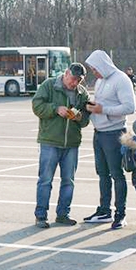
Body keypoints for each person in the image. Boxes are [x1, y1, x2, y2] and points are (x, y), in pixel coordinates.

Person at [32, 63, 90, 229]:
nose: (74, 83)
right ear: (66, 74)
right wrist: (55, 109)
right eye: (73, 79)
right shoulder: (49, 86)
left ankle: (63, 214)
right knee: (45, 180)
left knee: (68, 181)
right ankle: (41, 215)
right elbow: (36, 106)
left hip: (71, 143)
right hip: (50, 141)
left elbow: (86, 119)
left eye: (78, 80)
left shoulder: (82, 93)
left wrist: (79, 117)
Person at [84, 50, 136, 229]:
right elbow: (103, 103)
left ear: (103, 65)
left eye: (95, 68)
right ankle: (104, 210)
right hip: (99, 132)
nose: (93, 72)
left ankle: (120, 213)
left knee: (117, 174)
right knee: (102, 173)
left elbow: (130, 107)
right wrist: (93, 107)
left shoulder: (121, 79)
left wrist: (102, 109)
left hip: (114, 133)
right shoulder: (100, 81)